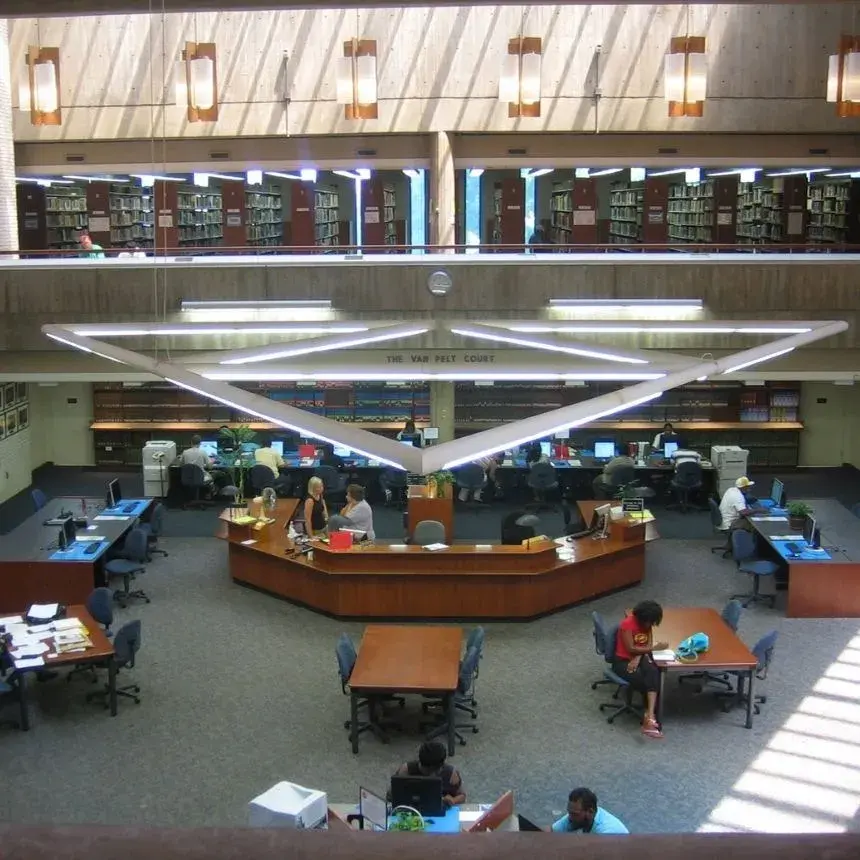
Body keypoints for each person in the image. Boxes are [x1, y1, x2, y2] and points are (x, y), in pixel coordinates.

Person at [614, 600, 668, 739]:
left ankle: (650, 717)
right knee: (644, 682)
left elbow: (648, 643)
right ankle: (649, 718)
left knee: (653, 673)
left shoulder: (647, 624)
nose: (649, 625)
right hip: (622, 660)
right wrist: (653, 649)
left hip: (639, 656)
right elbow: (630, 648)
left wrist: (638, 656)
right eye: (648, 621)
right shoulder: (627, 624)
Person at [395, 741, 466, 808]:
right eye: (428, 771)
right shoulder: (406, 771)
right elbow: (390, 795)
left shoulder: (451, 774)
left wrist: (453, 800)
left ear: (442, 765)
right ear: (420, 763)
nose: (432, 775)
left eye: (436, 771)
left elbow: (462, 796)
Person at [552, 787, 629, 834]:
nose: (570, 818)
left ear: (590, 811)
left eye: (575, 814)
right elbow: (552, 831)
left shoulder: (609, 831)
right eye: (569, 812)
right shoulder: (575, 815)